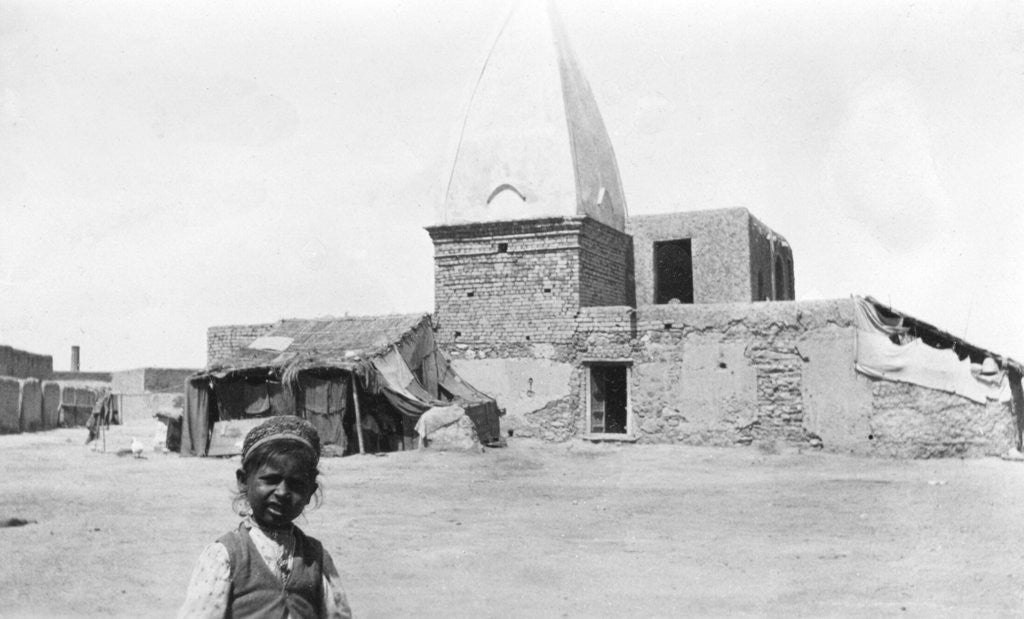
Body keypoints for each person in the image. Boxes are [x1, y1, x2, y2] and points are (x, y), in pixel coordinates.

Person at [178, 416, 352, 618]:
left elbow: (338, 615)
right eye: (271, 480)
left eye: (296, 484)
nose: (282, 492)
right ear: (244, 481)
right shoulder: (224, 555)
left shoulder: (316, 558)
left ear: (310, 492)